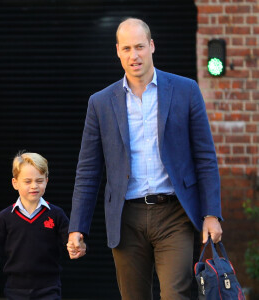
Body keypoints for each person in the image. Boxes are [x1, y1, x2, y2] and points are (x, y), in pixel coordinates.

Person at [67, 18, 223, 300]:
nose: (134, 55)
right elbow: (88, 170)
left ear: (151, 46)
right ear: (117, 51)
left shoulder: (186, 90)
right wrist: (77, 227)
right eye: (126, 48)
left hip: (174, 213)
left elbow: (205, 157)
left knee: (177, 294)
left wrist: (211, 213)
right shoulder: (100, 103)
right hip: (127, 217)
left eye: (139, 46)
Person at [0, 152, 74, 300]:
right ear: (15, 183)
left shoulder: (56, 214)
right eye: (27, 181)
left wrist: (76, 245)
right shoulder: (5, 217)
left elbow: (71, 240)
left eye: (39, 180)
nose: (34, 186)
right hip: (15, 289)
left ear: (46, 181)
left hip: (49, 288)